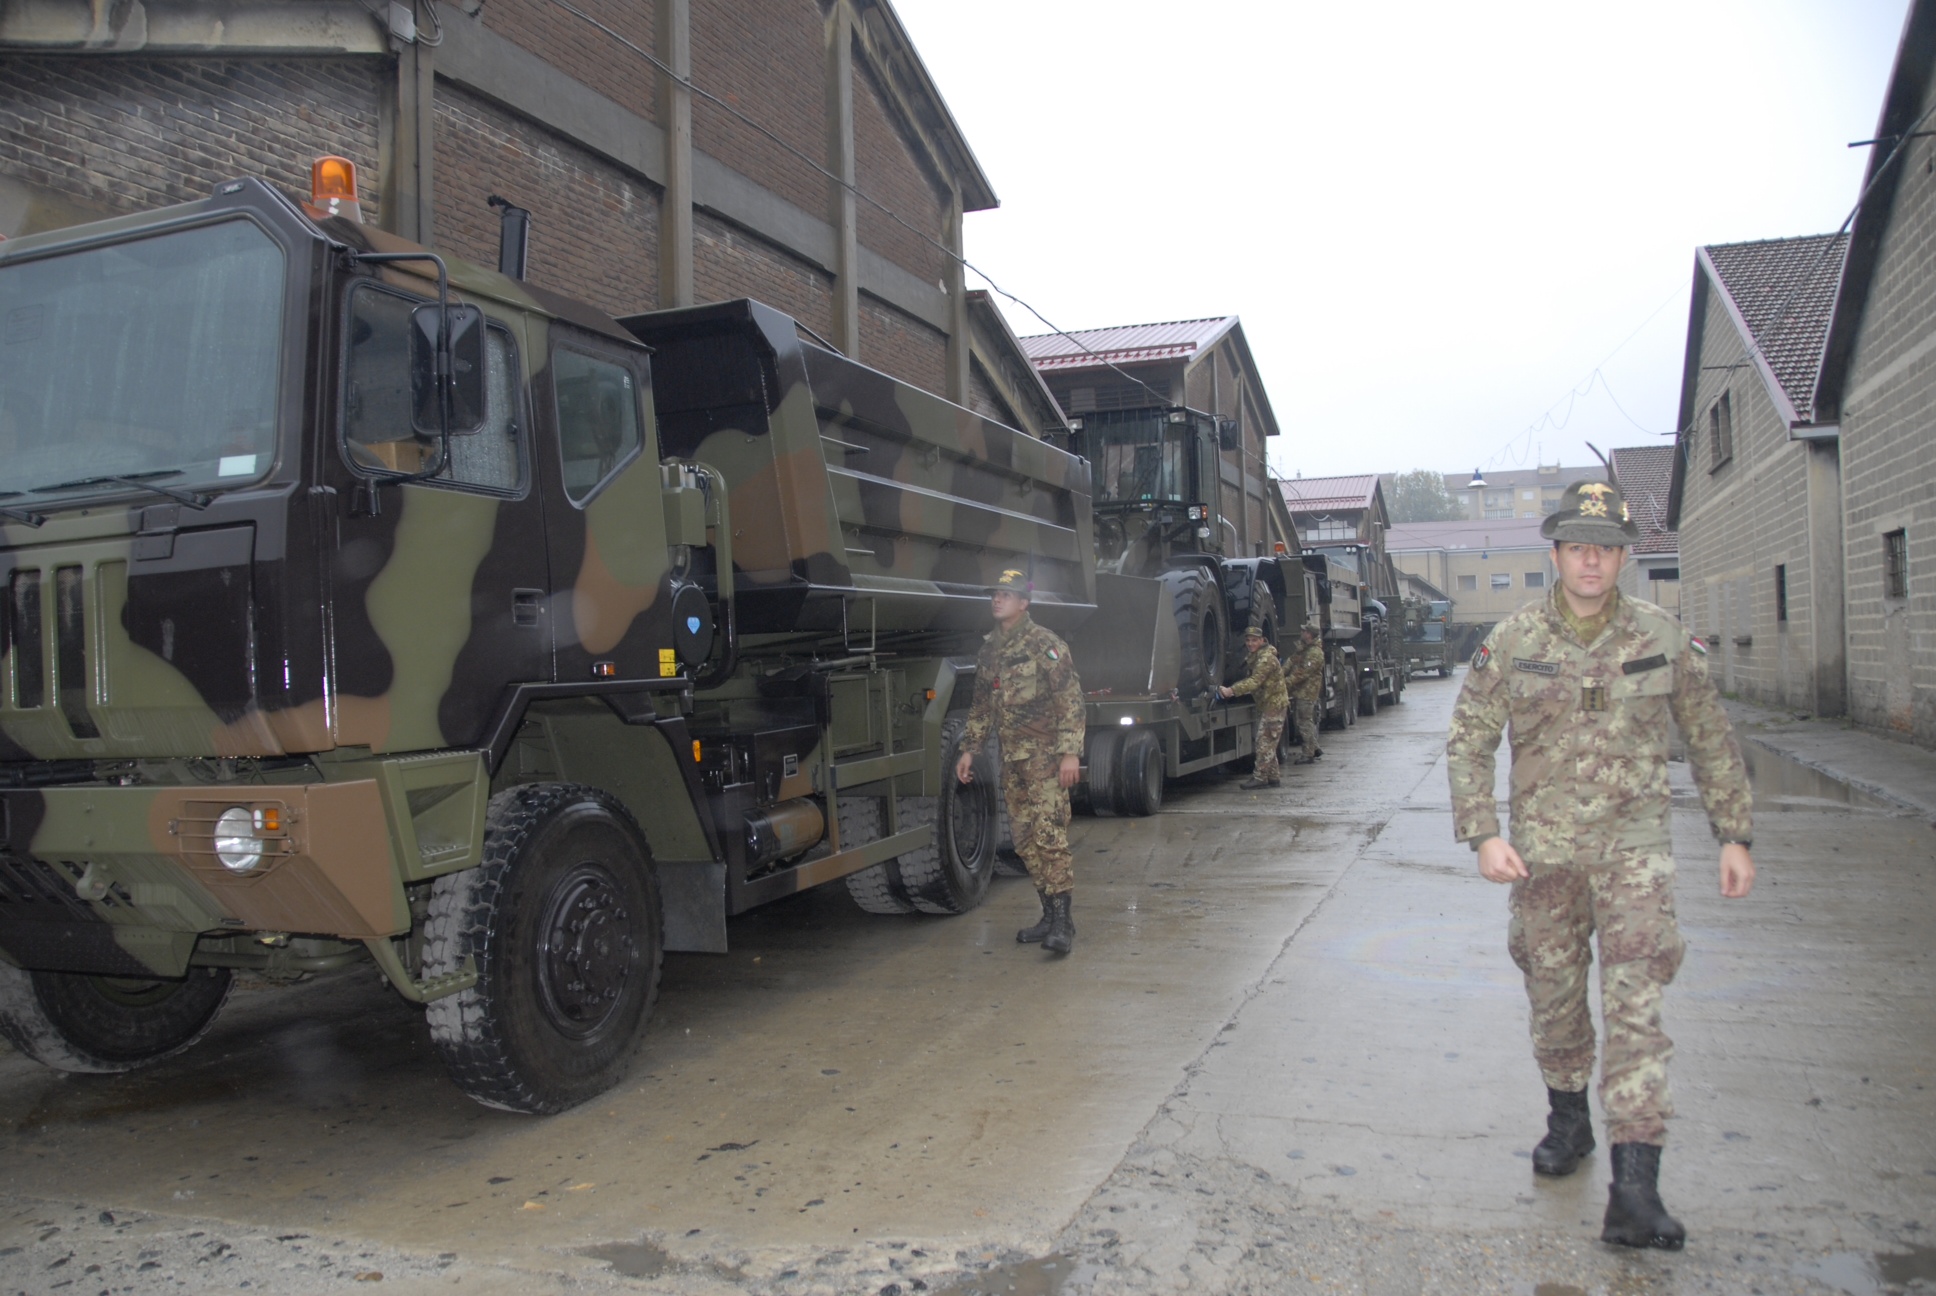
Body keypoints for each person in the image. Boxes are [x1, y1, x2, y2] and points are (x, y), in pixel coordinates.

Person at [1445, 478, 1754, 1251]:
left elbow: (1711, 737)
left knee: (1637, 1007)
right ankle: (1568, 1120)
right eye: (1579, 548)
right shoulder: (1515, 641)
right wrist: (1484, 833)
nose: (1592, 562)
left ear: (1623, 559)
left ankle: (1636, 1189)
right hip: (1541, 859)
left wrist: (1734, 833)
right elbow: (1469, 739)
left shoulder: (1660, 636)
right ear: (1555, 553)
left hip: (1635, 855)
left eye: (1606, 550)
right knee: (1555, 1000)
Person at [957, 568, 1085, 955]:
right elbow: (981, 705)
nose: (997, 599)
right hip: (1013, 761)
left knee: (1050, 836)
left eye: (1006, 595)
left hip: (1046, 759)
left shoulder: (1045, 644)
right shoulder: (989, 651)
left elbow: (1071, 699)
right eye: (995, 593)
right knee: (1026, 840)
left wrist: (1070, 753)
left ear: (1024, 603)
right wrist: (969, 750)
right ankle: (1047, 914)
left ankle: (1064, 923)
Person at [1220, 624, 1288, 789]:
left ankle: (1260, 778)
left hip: (1274, 705)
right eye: (1248, 641)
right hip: (1268, 704)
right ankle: (1273, 777)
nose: (1250, 644)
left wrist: (1231, 690)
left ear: (1262, 640)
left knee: (1263, 742)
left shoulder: (1265, 659)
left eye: (1254, 640)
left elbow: (1255, 681)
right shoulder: (1257, 656)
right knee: (1269, 742)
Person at [1284, 625, 1326, 764]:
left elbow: (1302, 672)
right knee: (1302, 721)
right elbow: (1292, 661)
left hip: (1307, 692)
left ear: (1310, 634)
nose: (1301, 633)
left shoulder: (1315, 653)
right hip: (1301, 691)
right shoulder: (1304, 649)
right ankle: (1315, 748)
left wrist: (1285, 682)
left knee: (1304, 722)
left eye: (1304, 631)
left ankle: (1308, 754)